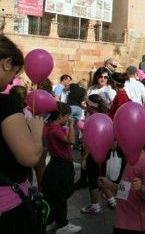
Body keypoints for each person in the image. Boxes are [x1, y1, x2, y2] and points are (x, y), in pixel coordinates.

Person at [0, 35, 44, 233]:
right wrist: (36, 132)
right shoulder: (5, 103)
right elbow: (30, 157)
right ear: (7, 63)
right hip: (8, 211)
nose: (13, 81)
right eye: (16, 73)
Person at [42, 102, 82, 233]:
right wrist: (71, 125)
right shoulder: (56, 129)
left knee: (54, 194)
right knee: (61, 194)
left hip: (55, 163)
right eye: (67, 116)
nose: (68, 118)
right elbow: (71, 141)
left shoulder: (48, 127)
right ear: (60, 116)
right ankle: (62, 225)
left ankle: (51, 220)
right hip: (62, 165)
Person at [98, 148, 145, 234]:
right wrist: (109, 185)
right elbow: (124, 187)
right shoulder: (130, 161)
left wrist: (141, 188)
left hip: (136, 226)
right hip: (121, 220)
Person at [80, 94, 120, 215]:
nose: (85, 107)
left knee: (92, 178)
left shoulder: (93, 119)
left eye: (86, 105)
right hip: (106, 152)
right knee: (101, 176)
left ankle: (95, 205)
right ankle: (112, 200)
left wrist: (84, 158)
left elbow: (89, 143)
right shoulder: (106, 117)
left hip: (93, 154)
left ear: (90, 107)